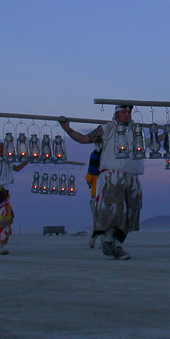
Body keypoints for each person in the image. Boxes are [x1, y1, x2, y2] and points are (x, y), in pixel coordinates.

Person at [59, 105, 143, 260]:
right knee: (113, 212)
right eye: (124, 112)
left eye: (129, 112)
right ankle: (108, 241)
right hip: (112, 175)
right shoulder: (107, 128)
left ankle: (118, 246)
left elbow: (151, 144)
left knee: (130, 213)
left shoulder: (136, 131)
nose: (127, 115)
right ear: (116, 114)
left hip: (132, 176)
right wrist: (67, 129)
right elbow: (84, 139)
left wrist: (167, 133)